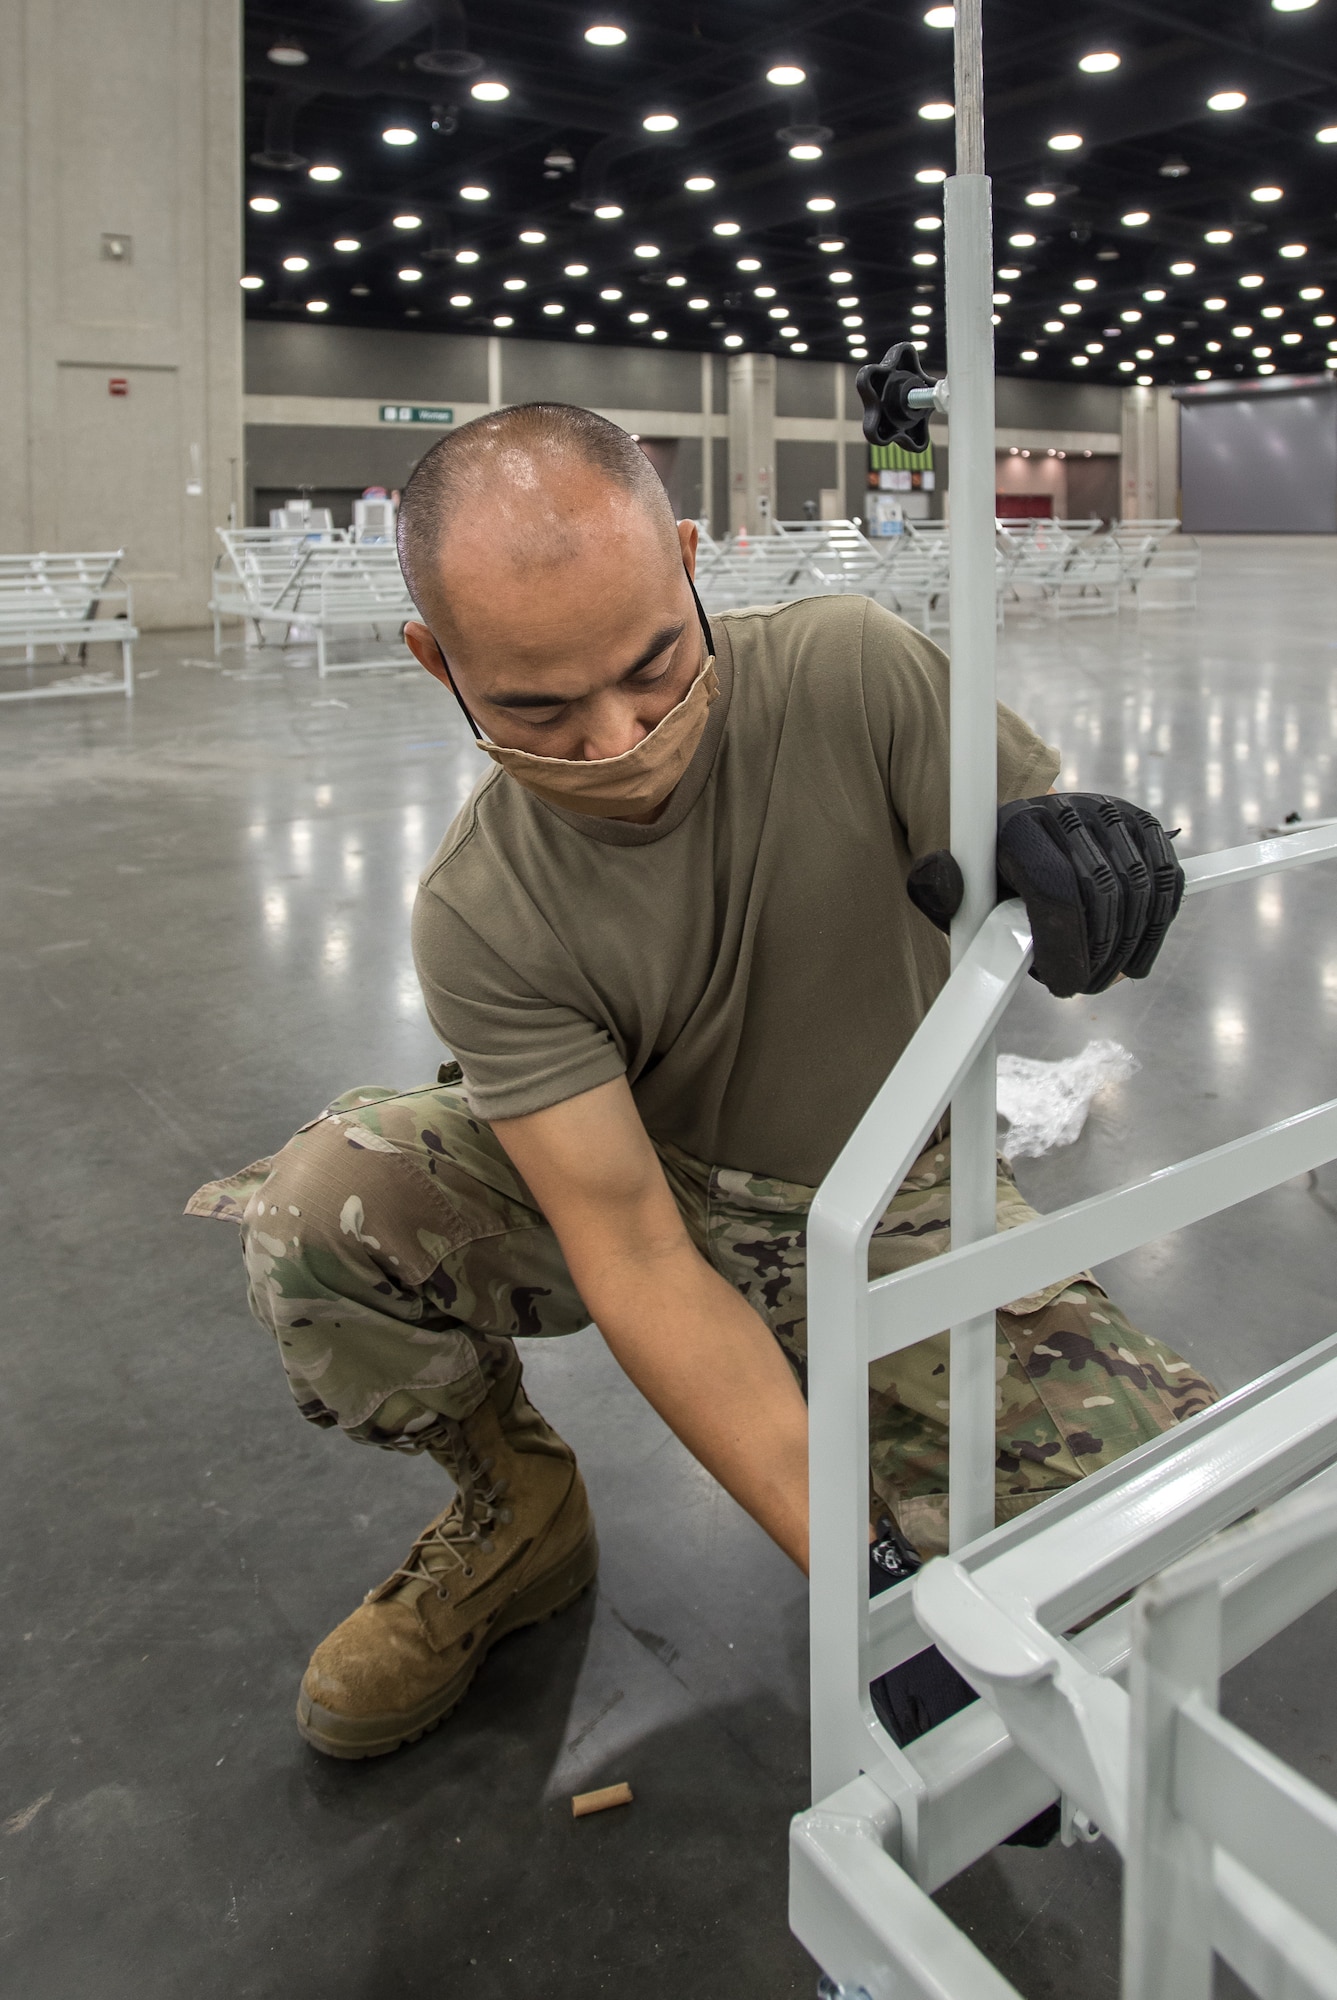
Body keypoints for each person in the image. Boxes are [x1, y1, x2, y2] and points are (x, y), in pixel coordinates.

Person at [188, 402, 1214, 1775]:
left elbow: (1012, 849)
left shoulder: (853, 672)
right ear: (436, 662)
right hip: (635, 1176)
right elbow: (637, 1254)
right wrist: (867, 1585)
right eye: (535, 708)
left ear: (687, 563)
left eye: (654, 667)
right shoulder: (483, 911)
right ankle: (517, 1516)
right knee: (329, 1209)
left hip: (889, 1182)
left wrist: (1061, 843)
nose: (616, 740)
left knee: (1156, 1522)